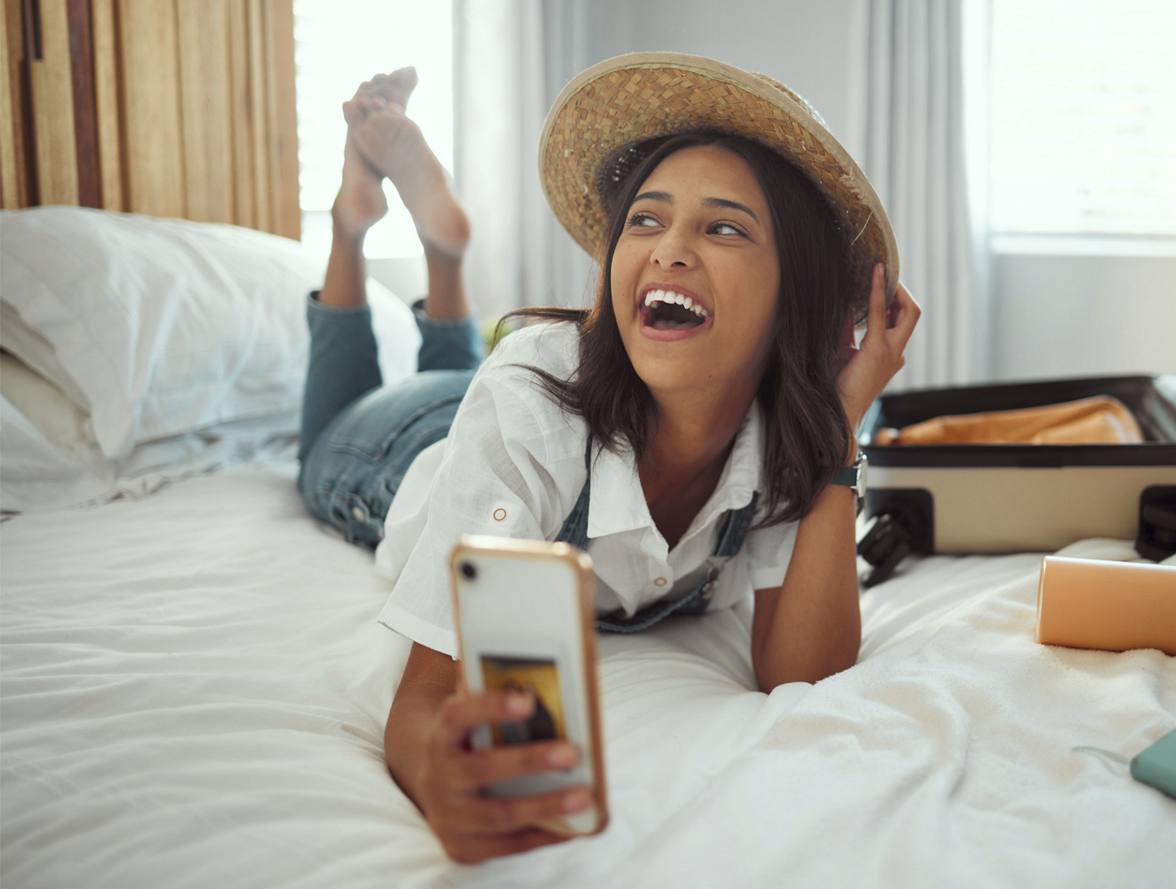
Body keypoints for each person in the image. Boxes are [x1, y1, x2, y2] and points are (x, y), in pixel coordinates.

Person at [297, 53, 921, 863]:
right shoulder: (532, 391)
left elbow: (800, 667)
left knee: (463, 376)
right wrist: (444, 777)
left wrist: (842, 425)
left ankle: (444, 260)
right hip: (399, 450)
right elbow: (424, 699)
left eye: (724, 227)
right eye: (645, 219)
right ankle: (355, 231)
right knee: (321, 438)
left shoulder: (785, 436)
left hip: (492, 405)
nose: (669, 250)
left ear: (790, 297)